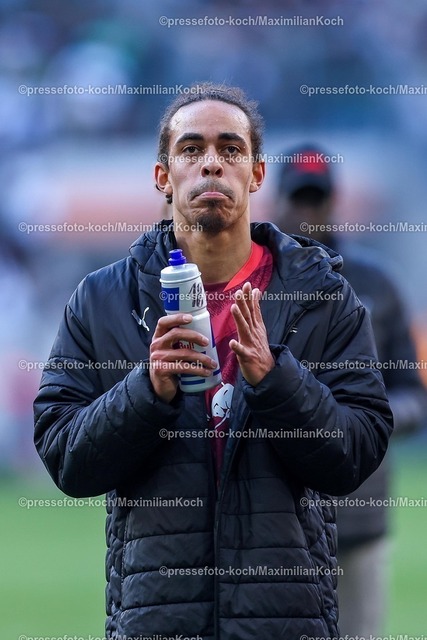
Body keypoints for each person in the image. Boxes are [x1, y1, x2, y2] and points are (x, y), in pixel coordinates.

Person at [34, 84, 393, 640]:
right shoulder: (103, 300)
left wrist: (277, 382)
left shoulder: (322, 297)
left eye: (230, 149)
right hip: (159, 619)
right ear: (162, 176)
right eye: (191, 149)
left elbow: (357, 453)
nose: (211, 163)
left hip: (285, 619)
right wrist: (147, 391)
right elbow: (65, 457)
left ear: (256, 174)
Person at [275, 143, 426, 638]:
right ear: (278, 201)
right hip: (281, 515)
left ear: (333, 201)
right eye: (299, 199)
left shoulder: (376, 284)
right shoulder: (258, 283)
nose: (308, 211)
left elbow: (414, 394)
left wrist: (368, 419)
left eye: (316, 199)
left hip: (359, 510)